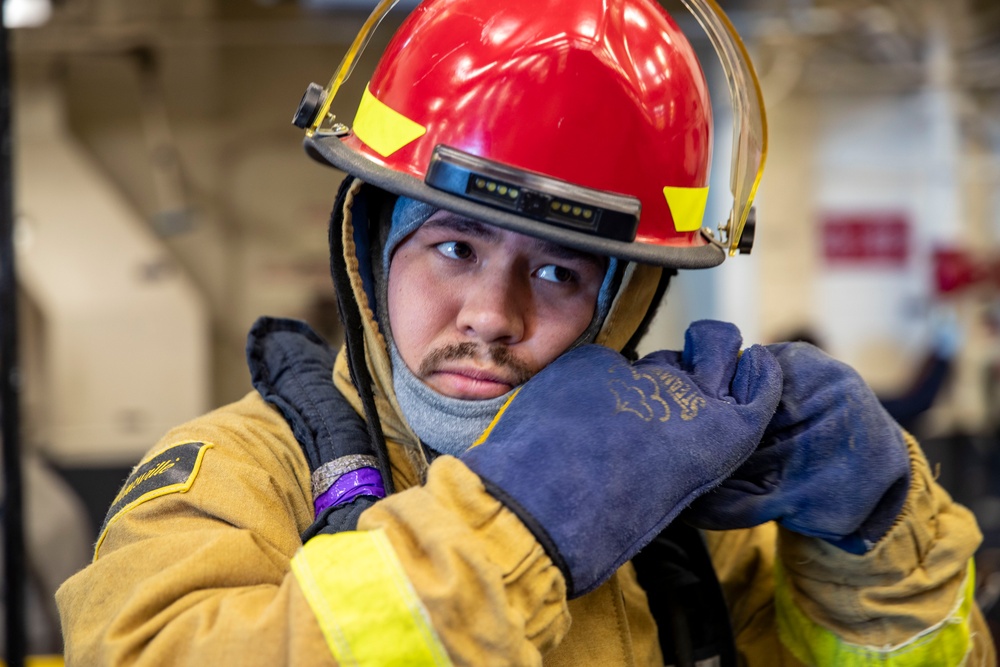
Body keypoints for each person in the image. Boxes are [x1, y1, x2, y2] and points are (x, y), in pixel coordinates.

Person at [57, 0, 995, 664]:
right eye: (455, 247)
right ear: (373, 245)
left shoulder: (684, 513)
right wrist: (514, 526)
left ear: (620, 303)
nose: (492, 318)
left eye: (558, 271)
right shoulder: (232, 478)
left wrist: (874, 541)